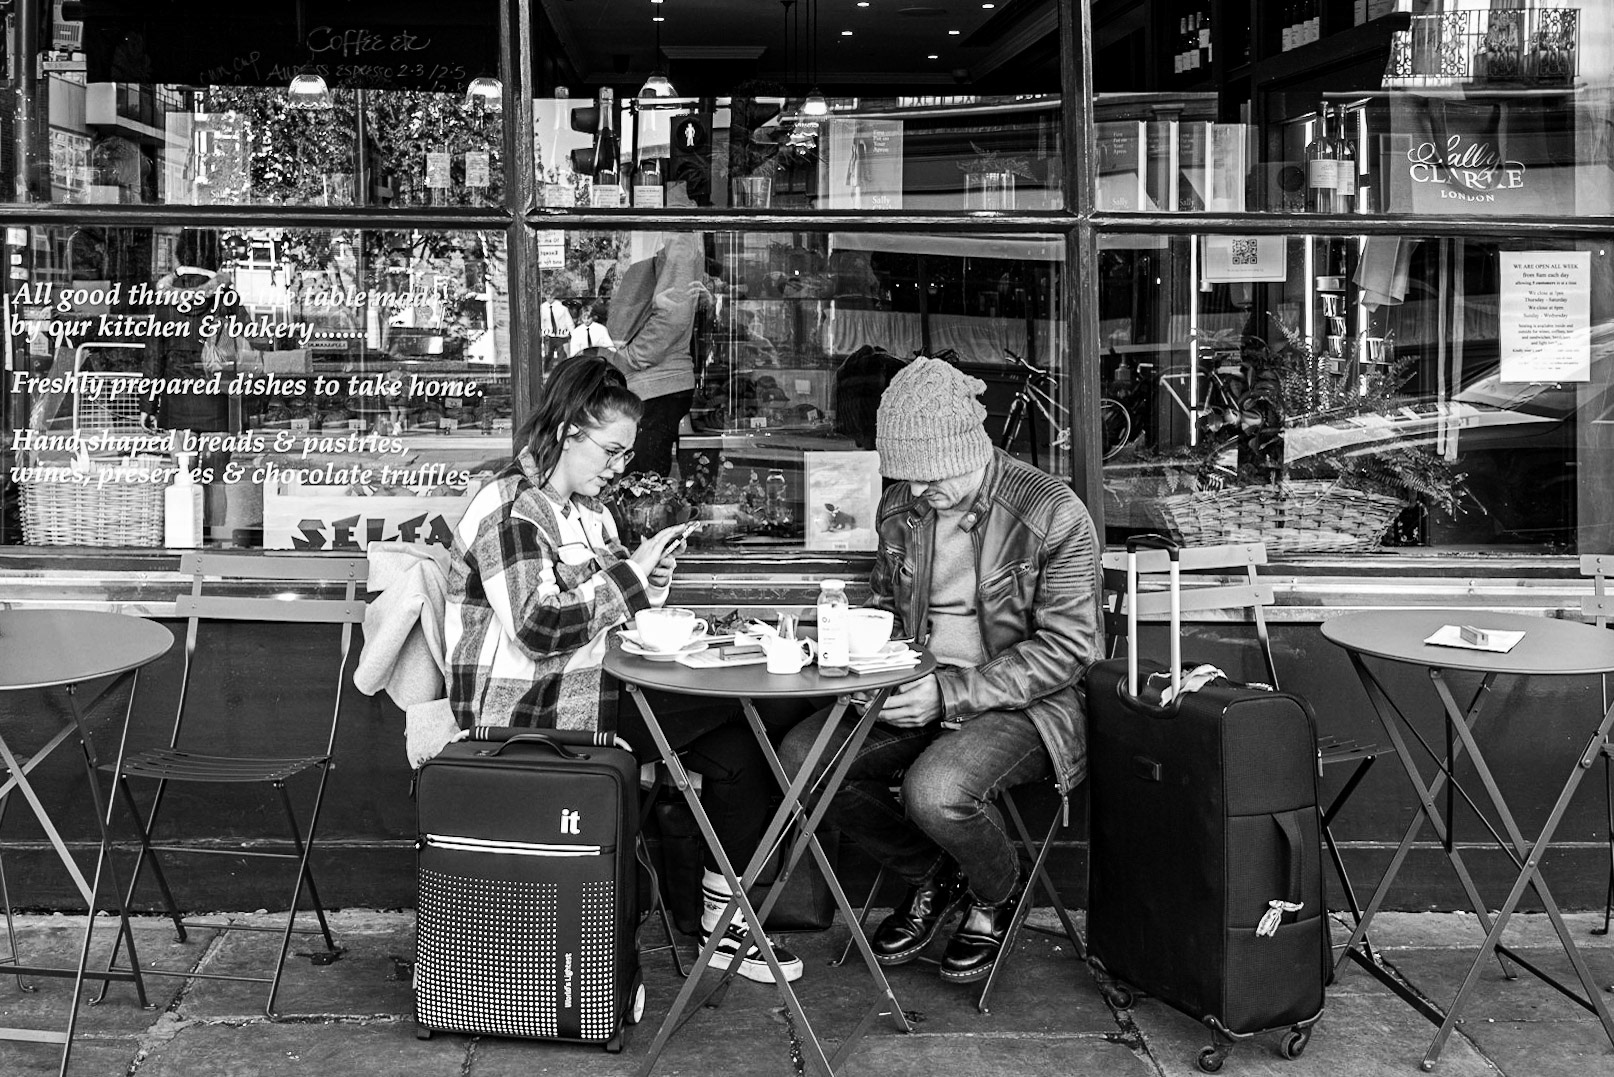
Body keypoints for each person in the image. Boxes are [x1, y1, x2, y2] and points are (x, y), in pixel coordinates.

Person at [445, 355, 803, 984]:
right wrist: (633, 574)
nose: (618, 468)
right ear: (566, 433)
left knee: (742, 744)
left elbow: (613, 606)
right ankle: (720, 915)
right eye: (611, 451)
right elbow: (538, 628)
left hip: (593, 685)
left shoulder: (588, 509)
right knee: (765, 702)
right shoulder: (511, 507)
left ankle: (723, 922)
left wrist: (651, 582)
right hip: (530, 709)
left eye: (625, 454)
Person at [778, 357, 1103, 984]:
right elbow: (885, 605)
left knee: (935, 791)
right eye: (908, 476)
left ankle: (995, 892)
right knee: (802, 760)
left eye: (933, 476)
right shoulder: (903, 504)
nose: (920, 491)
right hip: (917, 683)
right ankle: (934, 874)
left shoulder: (1051, 512)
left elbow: (1070, 648)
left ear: (970, 449)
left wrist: (948, 694)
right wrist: (867, 669)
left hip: (1025, 702)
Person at [607, 182, 706, 474]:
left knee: (640, 486)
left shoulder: (676, 227)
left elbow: (674, 314)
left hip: (655, 384)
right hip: (651, 383)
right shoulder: (666, 228)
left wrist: (629, 359)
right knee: (640, 483)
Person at [540, 294, 574, 365]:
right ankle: (546, 369)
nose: (549, 298)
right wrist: (542, 333)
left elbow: (569, 322)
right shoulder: (542, 308)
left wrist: (573, 334)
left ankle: (561, 369)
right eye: (547, 296)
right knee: (547, 356)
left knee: (562, 356)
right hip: (548, 336)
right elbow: (541, 322)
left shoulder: (562, 308)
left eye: (551, 296)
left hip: (561, 336)